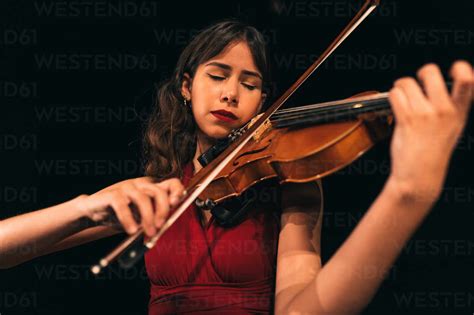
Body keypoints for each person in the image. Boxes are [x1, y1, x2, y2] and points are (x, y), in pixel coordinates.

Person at [0, 20, 472, 314]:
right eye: (217, 75)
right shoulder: (155, 190)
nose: (231, 93)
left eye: (249, 84)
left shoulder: (290, 184)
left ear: (264, 102)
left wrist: (407, 192)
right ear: (187, 86)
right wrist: (86, 206)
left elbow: (302, 310)